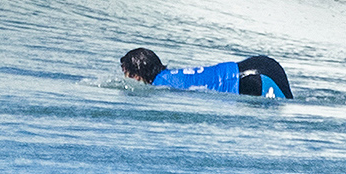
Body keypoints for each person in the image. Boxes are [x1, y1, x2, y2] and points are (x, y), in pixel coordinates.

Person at [120, 48, 292, 99]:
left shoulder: (161, 84)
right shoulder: (168, 75)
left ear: (136, 74)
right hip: (258, 67)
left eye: (127, 73)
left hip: (253, 77)